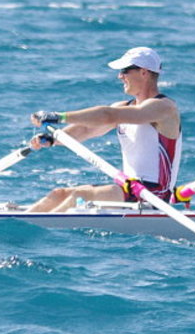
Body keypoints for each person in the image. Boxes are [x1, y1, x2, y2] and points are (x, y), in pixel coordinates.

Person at [26, 46, 182, 213]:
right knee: (59, 194)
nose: (120, 76)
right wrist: (52, 139)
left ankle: (46, 226)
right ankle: (23, 221)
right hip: (130, 188)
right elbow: (86, 129)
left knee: (80, 196)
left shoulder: (164, 107)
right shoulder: (123, 108)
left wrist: (59, 117)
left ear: (143, 72)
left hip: (154, 194)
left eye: (124, 71)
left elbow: (108, 115)